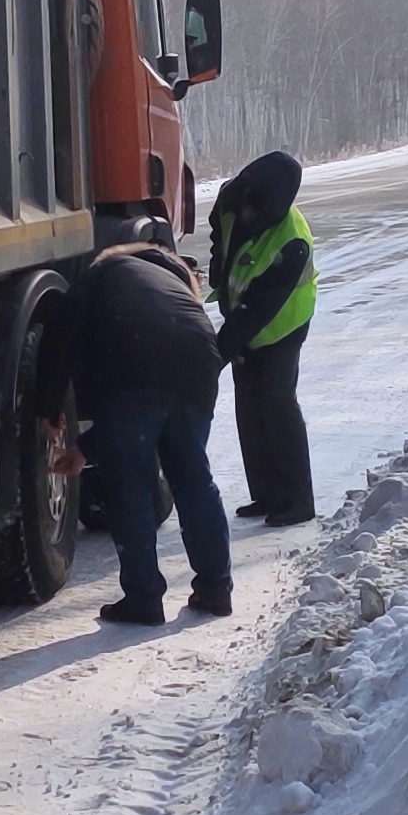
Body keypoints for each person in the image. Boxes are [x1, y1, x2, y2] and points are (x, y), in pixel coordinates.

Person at [73, 217, 233, 624]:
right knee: (193, 478)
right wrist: (85, 449)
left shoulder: (104, 272)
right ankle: (215, 590)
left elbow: (70, 344)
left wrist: (53, 414)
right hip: (198, 366)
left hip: (139, 370)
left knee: (129, 486)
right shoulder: (173, 285)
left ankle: (144, 599)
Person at [209, 150, 318, 526]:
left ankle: (299, 500)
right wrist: (216, 270)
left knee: (277, 404)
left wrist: (216, 354)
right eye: (246, 208)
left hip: (282, 325)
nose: (247, 216)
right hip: (244, 315)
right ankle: (267, 495)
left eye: (257, 212)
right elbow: (219, 230)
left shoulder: (292, 242)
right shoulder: (233, 198)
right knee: (250, 408)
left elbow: (257, 311)